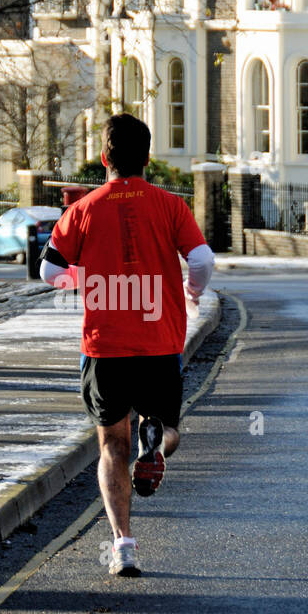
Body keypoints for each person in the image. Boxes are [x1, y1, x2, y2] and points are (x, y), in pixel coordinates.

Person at [40, 113, 214, 576]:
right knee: (166, 426)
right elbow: (202, 258)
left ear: (104, 159)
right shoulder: (170, 206)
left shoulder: (84, 209)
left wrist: (78, 278)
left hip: (105, 348)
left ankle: (123, 546)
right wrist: (193, 290)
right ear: (148, 159)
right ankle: (155, 446)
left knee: (111, 445)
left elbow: (47, 269)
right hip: (160, 343)